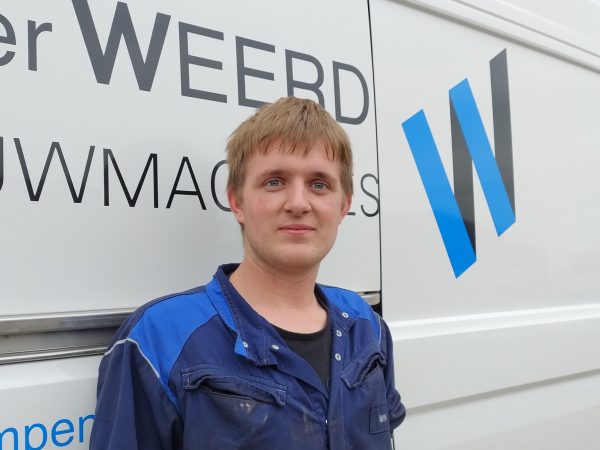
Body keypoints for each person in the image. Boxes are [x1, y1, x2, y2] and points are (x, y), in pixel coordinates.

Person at [90, 97, 405, 449]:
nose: (298, 203)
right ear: (237, 201)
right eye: (275, 182)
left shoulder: (366, 327)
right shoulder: (159, 339)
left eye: (319, 184)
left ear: (343, 205)